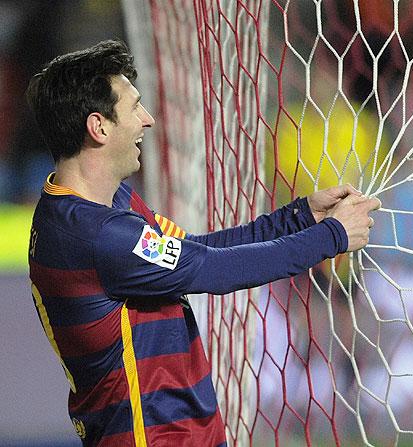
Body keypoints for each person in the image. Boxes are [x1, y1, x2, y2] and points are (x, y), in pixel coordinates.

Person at [26, 40, 380, 447]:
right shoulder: (100, 236)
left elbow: (195, 251)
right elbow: (212, 270)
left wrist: (298, 217)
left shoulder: (97, 207)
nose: (148, 119)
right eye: (133, 107)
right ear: (98, 127)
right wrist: (332, 236)